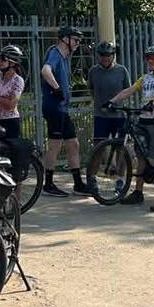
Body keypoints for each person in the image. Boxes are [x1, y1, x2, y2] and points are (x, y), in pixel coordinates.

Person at [109, 46, 154, 210]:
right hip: (144, 119)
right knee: (141, 158)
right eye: (148, 58)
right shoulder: (145, 78)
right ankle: (138, 192)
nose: (150, 61)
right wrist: (112, 101)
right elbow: (129, 90)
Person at [40, 25, 86, 197]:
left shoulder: (65, 56)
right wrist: (57, 88)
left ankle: (78, 184)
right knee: (55, 145)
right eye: (75, 40)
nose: (77, 43)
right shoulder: (55, 53)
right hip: (54, 108)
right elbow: (45, 71)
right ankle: (48, 184)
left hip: (62, 109)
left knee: (73, 144)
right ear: (65, 39)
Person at [89, 41, 131, 149]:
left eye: (108, 55)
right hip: (101, 116)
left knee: (121, 149)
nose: (105, 58)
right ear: (98, 56)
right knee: (98, 148)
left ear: (113, 55)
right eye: (102, 55)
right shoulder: (93, 71)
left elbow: (127, 90)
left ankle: (120, 162)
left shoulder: (122, 70)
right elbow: (92, 90)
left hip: (119, 115)